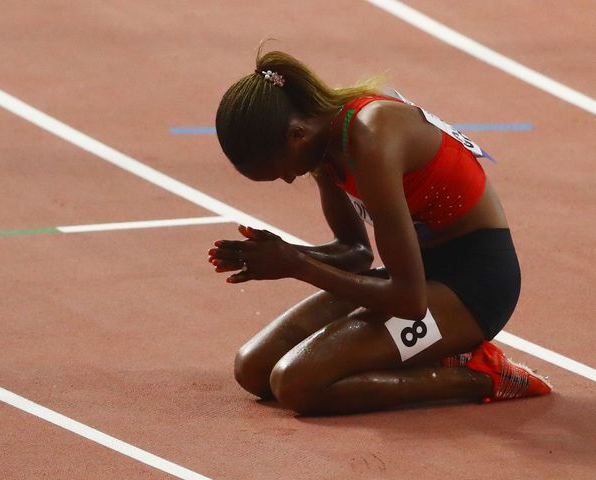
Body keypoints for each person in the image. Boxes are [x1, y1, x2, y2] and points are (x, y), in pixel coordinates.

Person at [208, 45, 551, 415]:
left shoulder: (370, 139)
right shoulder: (322, 143)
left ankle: (480, 373)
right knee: (253, 369)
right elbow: (354, 253)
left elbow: (408, 300)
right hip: (420, 271)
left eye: (283, 170)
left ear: (295, 134)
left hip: (475, 286)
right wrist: (280, 256)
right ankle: (422, 351)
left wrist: (298, 265)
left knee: (296, 384)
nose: (291, 179)